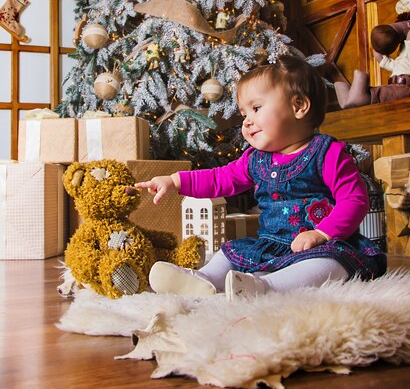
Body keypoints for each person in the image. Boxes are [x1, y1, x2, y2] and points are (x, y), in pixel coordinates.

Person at [134, 55, 386, 301]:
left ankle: (265, 287)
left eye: (256, 108)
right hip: (271, 245)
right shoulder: (256, 159)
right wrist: (176, 181)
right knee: (230, 253)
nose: (247, 121)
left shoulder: (326, 152)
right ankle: (204, 279)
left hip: (320, 244)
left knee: (329, 265)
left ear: (298, 106)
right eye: (244, 114)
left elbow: (354, 200)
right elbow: (220, 178)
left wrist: (322, 234)